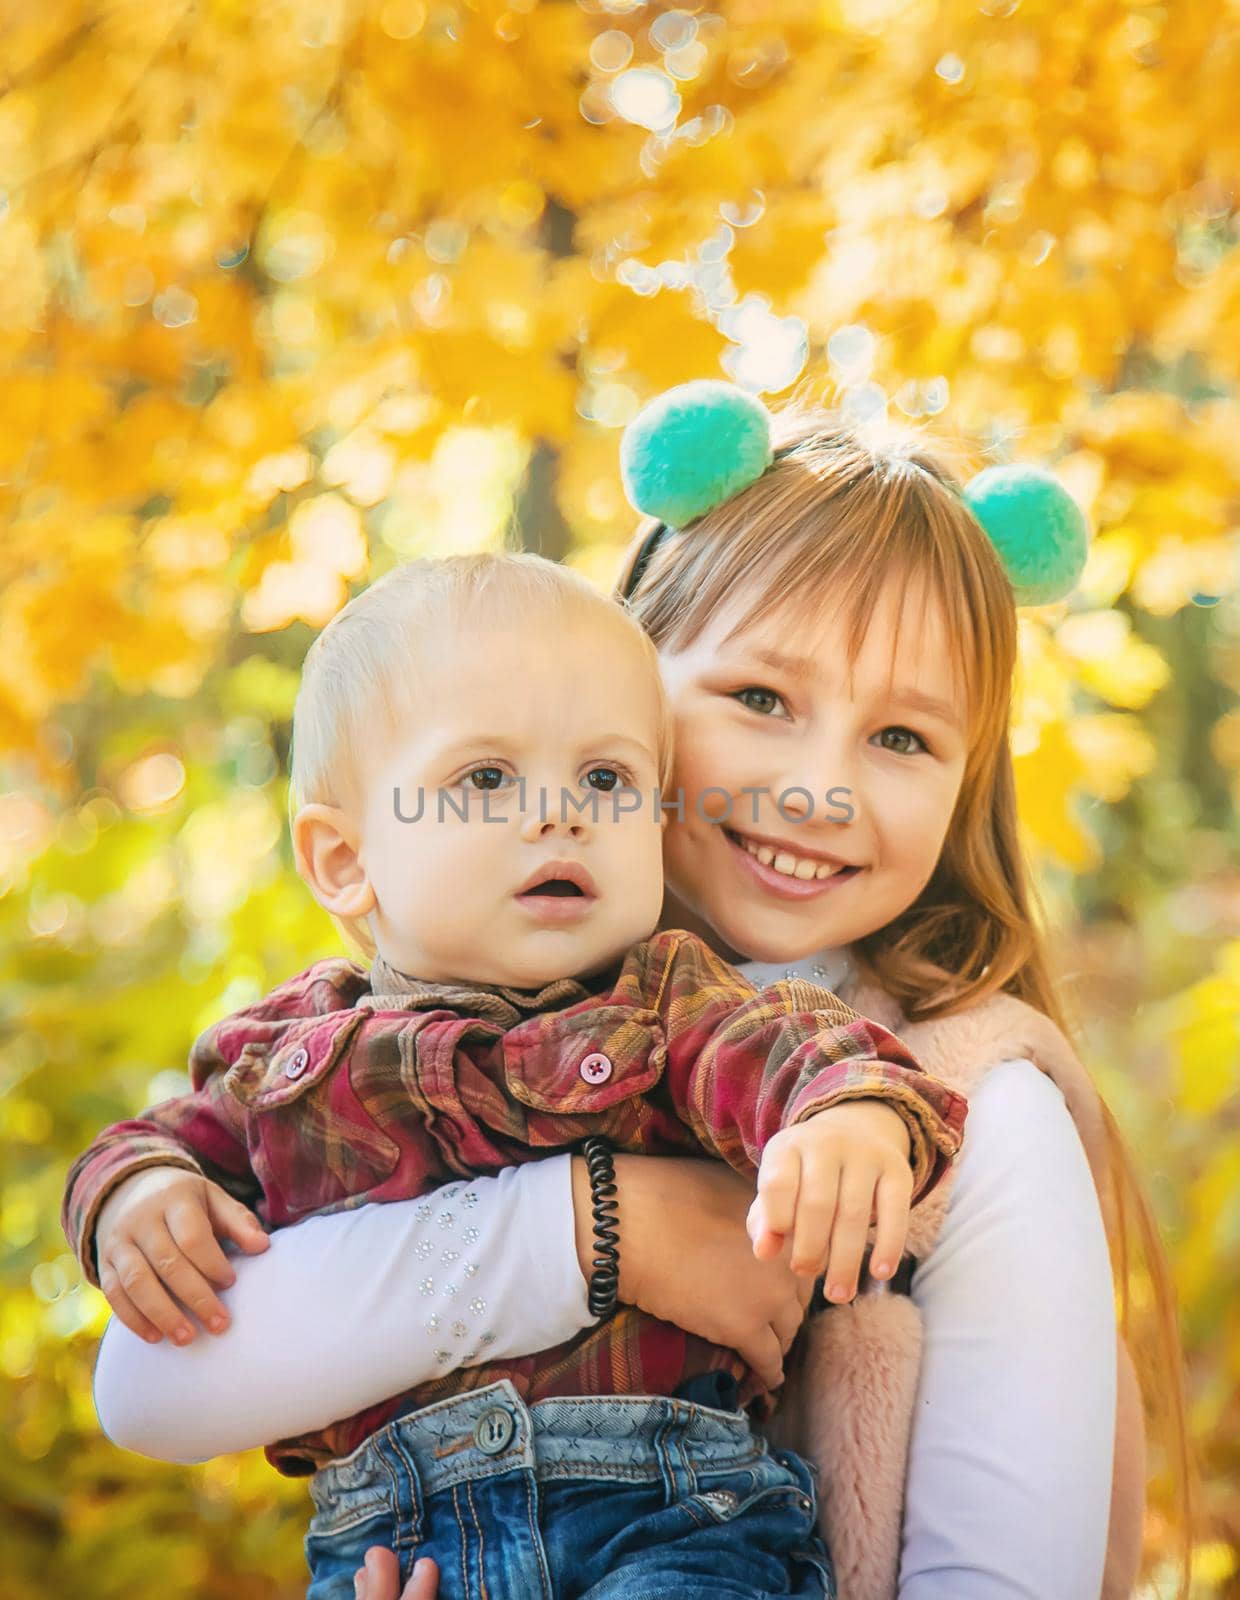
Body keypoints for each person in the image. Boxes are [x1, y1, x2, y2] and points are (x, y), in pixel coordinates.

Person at [84, 382, 1190, 1598]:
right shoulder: (399, 1005)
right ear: (628, 671)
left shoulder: (978, 1106)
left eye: (903, 739)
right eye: (759, 699)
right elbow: (150, 1385)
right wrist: (608, 1228)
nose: (817, 787)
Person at [62, 547, 968, 1599]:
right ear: (344, 860)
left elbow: (791, 1054)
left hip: (668, 1516)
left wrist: (847, 1116)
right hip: (396, 1549)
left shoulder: (665, 1001)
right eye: (486, 777)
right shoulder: (281, 1059)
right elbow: (157, 1149)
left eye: (607, 777)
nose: (560, 811)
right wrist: (139, 1190)